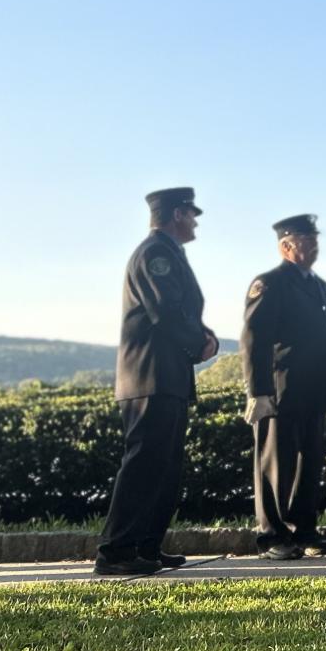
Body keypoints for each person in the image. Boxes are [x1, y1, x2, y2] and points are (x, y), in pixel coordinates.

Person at [96, 187, 219, 577]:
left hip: (167, 377)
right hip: (149, 377)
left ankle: (146, 545)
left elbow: (178, 311)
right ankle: (115, 551)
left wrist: (203, 337)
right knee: (144, 464)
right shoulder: (155, 254)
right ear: (177, 214)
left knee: (165, 466)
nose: (196, 221)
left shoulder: (168, 253)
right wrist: (201, 342)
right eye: (191, 213)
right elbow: (165, 311)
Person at [242, 214, 326, 561]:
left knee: (310, 465)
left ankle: (304, 530)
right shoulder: (270, 284)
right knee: (276, 464)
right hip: (282, 391)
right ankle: (272, 535)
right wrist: (258, 392)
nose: (314, 244)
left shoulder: (321, 287)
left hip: (316, 390)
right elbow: (254, 341)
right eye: (306, 239)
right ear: (286, 245)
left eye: (315, 238)